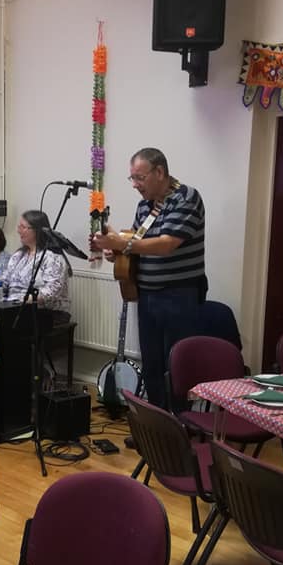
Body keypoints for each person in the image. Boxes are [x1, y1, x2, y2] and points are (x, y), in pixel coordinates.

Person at [92, 147, 206, 408]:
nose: (135, 184)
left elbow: (166, 244)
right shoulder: (144, 206)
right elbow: (136, 246)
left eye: (139, 178)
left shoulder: (186, 198)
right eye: (132, 178)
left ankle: (179, 424)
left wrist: (123, 244)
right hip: (148, 296)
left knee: (176, 365)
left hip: (179, 296)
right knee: (152, 364)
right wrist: (115, 252)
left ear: (160, 172)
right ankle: (155, 423)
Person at [5, 210, 70, 321]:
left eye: (23, 227)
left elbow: (51, 292)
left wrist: (24, 300)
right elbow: (6, 280)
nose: (18, 231)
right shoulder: (18, 255)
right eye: (19, 226)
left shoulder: (53, 257)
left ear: (37, 230)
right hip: (15, 307)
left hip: (44, 312)